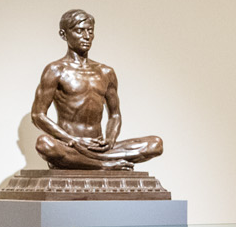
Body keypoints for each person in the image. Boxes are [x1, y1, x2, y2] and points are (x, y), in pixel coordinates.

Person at [30, 9, 164, 169]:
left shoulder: (106, 72)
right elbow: (38, 115)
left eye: (90, 31)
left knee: (155, 144)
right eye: (79, 31)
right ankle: (103, 166)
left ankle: (96, 161)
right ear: (64, 34)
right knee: (44, 144)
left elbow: (115, 114)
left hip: (100, 147)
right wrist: (71, 140)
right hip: (71, 147)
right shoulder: (56, 70)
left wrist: (110, 139)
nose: (86, 36)